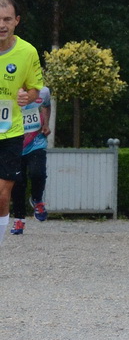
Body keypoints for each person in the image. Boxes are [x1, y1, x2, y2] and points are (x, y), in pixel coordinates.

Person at [0, 0, 45, 247]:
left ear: (16, 21)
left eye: (7, 19)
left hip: (10, 133)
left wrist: (26, 96)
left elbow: (35, 91)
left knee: (2, 194)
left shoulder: (27, 52)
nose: (2, 25)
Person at [8, 80, 52, 234]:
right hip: (14, 144)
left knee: (38, 173)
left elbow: (46, 105)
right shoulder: (8, 91)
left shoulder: (43, 92)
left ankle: (37, 200)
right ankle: (19, 220)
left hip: (36, 142)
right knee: (18, 184)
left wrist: (46, 123)